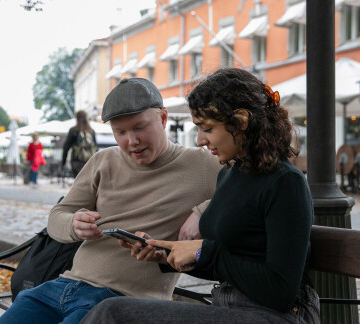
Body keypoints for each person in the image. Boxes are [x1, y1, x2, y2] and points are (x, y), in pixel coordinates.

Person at [82, 68, 319, 323]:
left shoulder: (285, 182)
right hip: (230, 308)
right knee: (110, 311)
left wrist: (205, 252)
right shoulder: (230, 174)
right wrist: (166, 254)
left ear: (240, 122)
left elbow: (280, 290)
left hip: (276, 316)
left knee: (112, 313)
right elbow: (228, 266)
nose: (200, 140)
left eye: (206, 128)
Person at [0, 78, 221, 324]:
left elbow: (250, 189)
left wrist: (202, 211)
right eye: (120, 132)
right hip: (62, 286)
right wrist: (73, 224)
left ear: (163, 118)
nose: (131, 140)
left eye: (140, 127)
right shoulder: (103, 161)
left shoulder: (202, 164)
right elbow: (56, 217)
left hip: (123, 302)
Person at [62, 110, 97, 177]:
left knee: (78, 183)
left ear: (77, 118)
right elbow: (95, 147)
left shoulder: (73, 130)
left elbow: (66, 147)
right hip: (90, 162)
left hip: (76, 161)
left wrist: (63, 162)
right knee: (89, 183)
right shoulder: (91, 131)